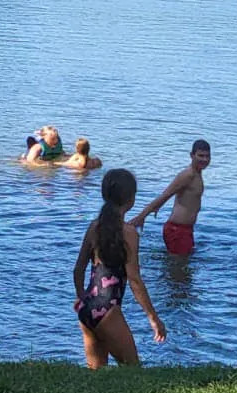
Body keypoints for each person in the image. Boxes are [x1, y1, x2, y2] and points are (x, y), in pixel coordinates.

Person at [73, 168, 167, 367]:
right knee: (132, 370)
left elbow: (78, 269)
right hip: (108, 309)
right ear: (131, 199)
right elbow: (134, 280)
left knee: (97, 376)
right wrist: (153, 318)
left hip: (86, 307)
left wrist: (81, 296)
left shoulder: (94, 227)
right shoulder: (129, 233)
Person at [133, 139, 211, 255]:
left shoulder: (197, 174)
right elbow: (165, 195)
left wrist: (157, 207)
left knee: (182, 267)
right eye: (201, 156)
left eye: (207, 156)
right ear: (192, 155)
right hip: (177, 230)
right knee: (179, 268)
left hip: (185, 229)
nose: (204, 159)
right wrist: (141, 217)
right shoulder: (188, 175)